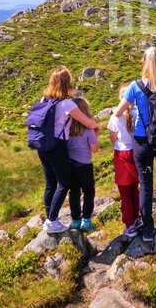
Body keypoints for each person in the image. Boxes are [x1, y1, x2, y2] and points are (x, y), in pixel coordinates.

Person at [110, 47, 156, 242]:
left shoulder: (135, 86)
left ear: (143, 63)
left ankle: (148, 230)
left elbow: (117, 113)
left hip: (142, 141)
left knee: (146, 185)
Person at [35, 66, 98, 234]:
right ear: (67, 83)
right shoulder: (66, 104)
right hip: (57, 147)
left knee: (50, 183)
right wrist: (95, 126)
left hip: (42, 146)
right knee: (64, 183)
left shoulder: (44, 99)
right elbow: (88, 123)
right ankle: (51, 220)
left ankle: (50, 216)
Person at [108, 83, 141, 237]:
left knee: (124, 191)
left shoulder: (116, 115)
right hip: (136, 152)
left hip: (122, 153)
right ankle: (137, 218)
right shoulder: (136, 112)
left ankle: (129, 225)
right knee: (134, 187)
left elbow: (113, 137)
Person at [67, 97, 99, 231]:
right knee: (89, 191)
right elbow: (94, 149)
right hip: (84, 165)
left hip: (69, 165)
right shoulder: (88, 130)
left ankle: (75, 220)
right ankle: (86, 220)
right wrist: (96, 135)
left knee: (74, 192)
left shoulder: (66, 128)